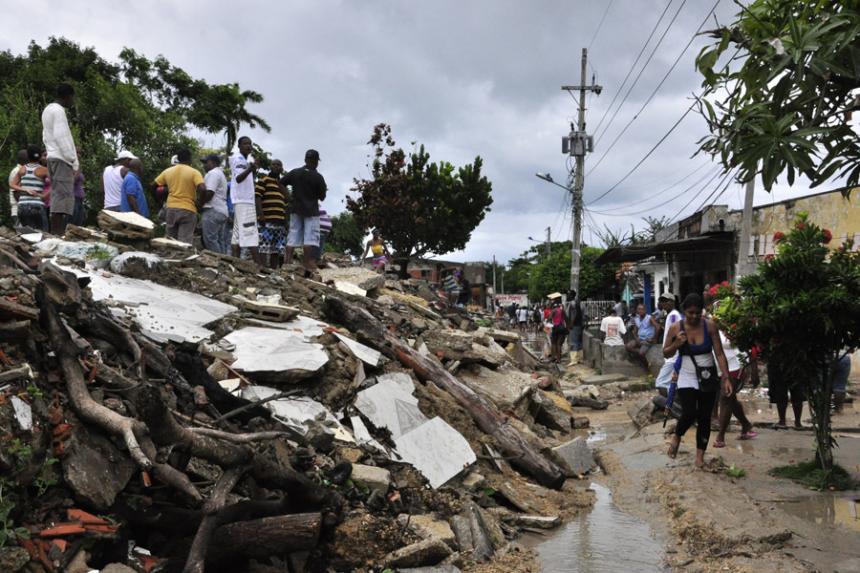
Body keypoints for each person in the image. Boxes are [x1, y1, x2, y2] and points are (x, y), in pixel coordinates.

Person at [663, 293, 732, 467]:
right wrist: (676, 344)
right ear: (684, 311)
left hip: (707, 376)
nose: (694, 316)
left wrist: (726, 377)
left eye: (697, 313)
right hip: (686, 376)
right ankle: (677, 435)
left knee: (704, 417)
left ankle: (700, 457)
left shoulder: (710, 326)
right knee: (689, 412)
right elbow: (666, 352)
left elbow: (719, 354)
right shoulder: (676, 328)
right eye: (690, 313)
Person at [281, 149, 327, 276]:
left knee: (293, 235)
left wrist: (288, 197)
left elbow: (281, 183)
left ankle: (287, 262)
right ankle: (306, 264)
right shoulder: (318, 177)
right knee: (309, 239)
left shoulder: (295, 172)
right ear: (316, 161)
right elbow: (322, 197)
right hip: (311, 211)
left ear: (305, 160)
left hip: (296, 209)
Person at [42, 83, 79, 235]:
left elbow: (45, 135)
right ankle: (57, 232)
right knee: (62, 196)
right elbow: (61, 136)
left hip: (52, 156)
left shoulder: (48, 110)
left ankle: (56, 232)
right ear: (67, 96)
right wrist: (72, 158)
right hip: (61, 158)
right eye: (72, 98)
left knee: (57, 194)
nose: (73, 101)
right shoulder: (58, 111)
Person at [711, 327, 758, 447]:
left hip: (735, 364)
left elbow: (751, 345)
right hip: (718, 367)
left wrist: (754, 370)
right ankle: (746, 425)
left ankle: (720, 437)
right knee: (731, 399)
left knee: (725, 397)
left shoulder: (732, 322)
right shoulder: (707, 322)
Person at [153, 148, 205, 244]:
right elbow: (202, 189)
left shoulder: (168, 171)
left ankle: (168, 254)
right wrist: (200, 204)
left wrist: (159, 202)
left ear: (178, 158)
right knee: (184, 243)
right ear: (190, 159)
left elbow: (154, 186)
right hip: (188, 209)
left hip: (171, 209)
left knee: (170, 241)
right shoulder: (194, 172)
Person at [228, 137, 261, 263]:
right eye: (245, 143)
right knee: (250, 233)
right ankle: (259, 266)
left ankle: (235, 263)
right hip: (244, 201)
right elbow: (238, 178)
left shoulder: (243, 161)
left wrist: (252, 169)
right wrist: (250, 169)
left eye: (250, 144)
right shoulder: (239, 160)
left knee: (236, 236)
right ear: (239, 146)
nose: (248, 146)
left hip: (241, 200)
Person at [255, 159, 288, 268]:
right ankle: (263, 269)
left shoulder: (282, 185)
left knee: (276, 249)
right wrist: (260, 215)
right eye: (273, 164)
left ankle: (273, 271)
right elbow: (257, 197)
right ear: (270, 167)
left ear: (281, 168)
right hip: (267, 220)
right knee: (264, 246)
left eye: (278, 165)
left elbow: (287, 201)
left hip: (280, 222)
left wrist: (285, 221)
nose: (275, 166)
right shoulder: (264, 180)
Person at [11, 145, 49, 230]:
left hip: (22, 205)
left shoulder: (22, 169)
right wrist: (44, 196)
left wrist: (25, 189)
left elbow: (12, 184)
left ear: (28, 156)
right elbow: (55, 184)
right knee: (42, 233)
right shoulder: (44, 170)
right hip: (37, 205)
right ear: (40, 156)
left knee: (28, 234)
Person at [199, 154, 229, 254]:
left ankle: (218, 261)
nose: (204, 165)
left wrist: (199, 204)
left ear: (214, 163)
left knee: (210, 240)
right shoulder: (221, 174)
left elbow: (209, 193)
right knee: (220, 241)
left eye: (206, 162)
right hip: (221, 210)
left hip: (213, 209)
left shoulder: (213, 173)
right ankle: (224, 261)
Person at [654, 293, 683, 397]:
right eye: (662, 301)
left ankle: (672, 403)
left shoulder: (673, 315)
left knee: (660, 383)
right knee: (674, 383)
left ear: (672, 302)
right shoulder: (671, 315)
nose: (663, 303)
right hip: (672, 355)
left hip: (673, 356)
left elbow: (677, 333)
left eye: (666, 301)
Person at [768, 358, 805, 429]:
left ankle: (782, 422)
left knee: (780, 391)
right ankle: (797, 423)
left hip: (779, 363)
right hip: (796, 362)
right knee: (797, 391)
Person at [7, 149, 27, 226]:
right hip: (18, 210)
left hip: (22, 209)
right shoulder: (16, 171)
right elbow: (16, 193)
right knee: (22, 231)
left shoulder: (23, 170)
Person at [565, 290, 584, 365]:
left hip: (574, 325)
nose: (567, 296)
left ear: (571, 295)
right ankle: (580, 358)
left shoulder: (572, 303)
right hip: (579, 325)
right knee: (579, 342)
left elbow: (573, 314)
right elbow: (583, 314)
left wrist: (571, 324)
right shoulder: (579, 303)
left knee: (573, 342)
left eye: (568, 295)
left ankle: (574, 360)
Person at [549, 297, 567, 363]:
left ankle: (553, 358)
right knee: (559, 344)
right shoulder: (562, 310)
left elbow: (549, 319)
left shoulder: (553, 311)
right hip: (562, 328)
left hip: (555, 328)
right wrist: (567, 327)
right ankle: (559, 359)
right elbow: (566, 319)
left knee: (553, 343)